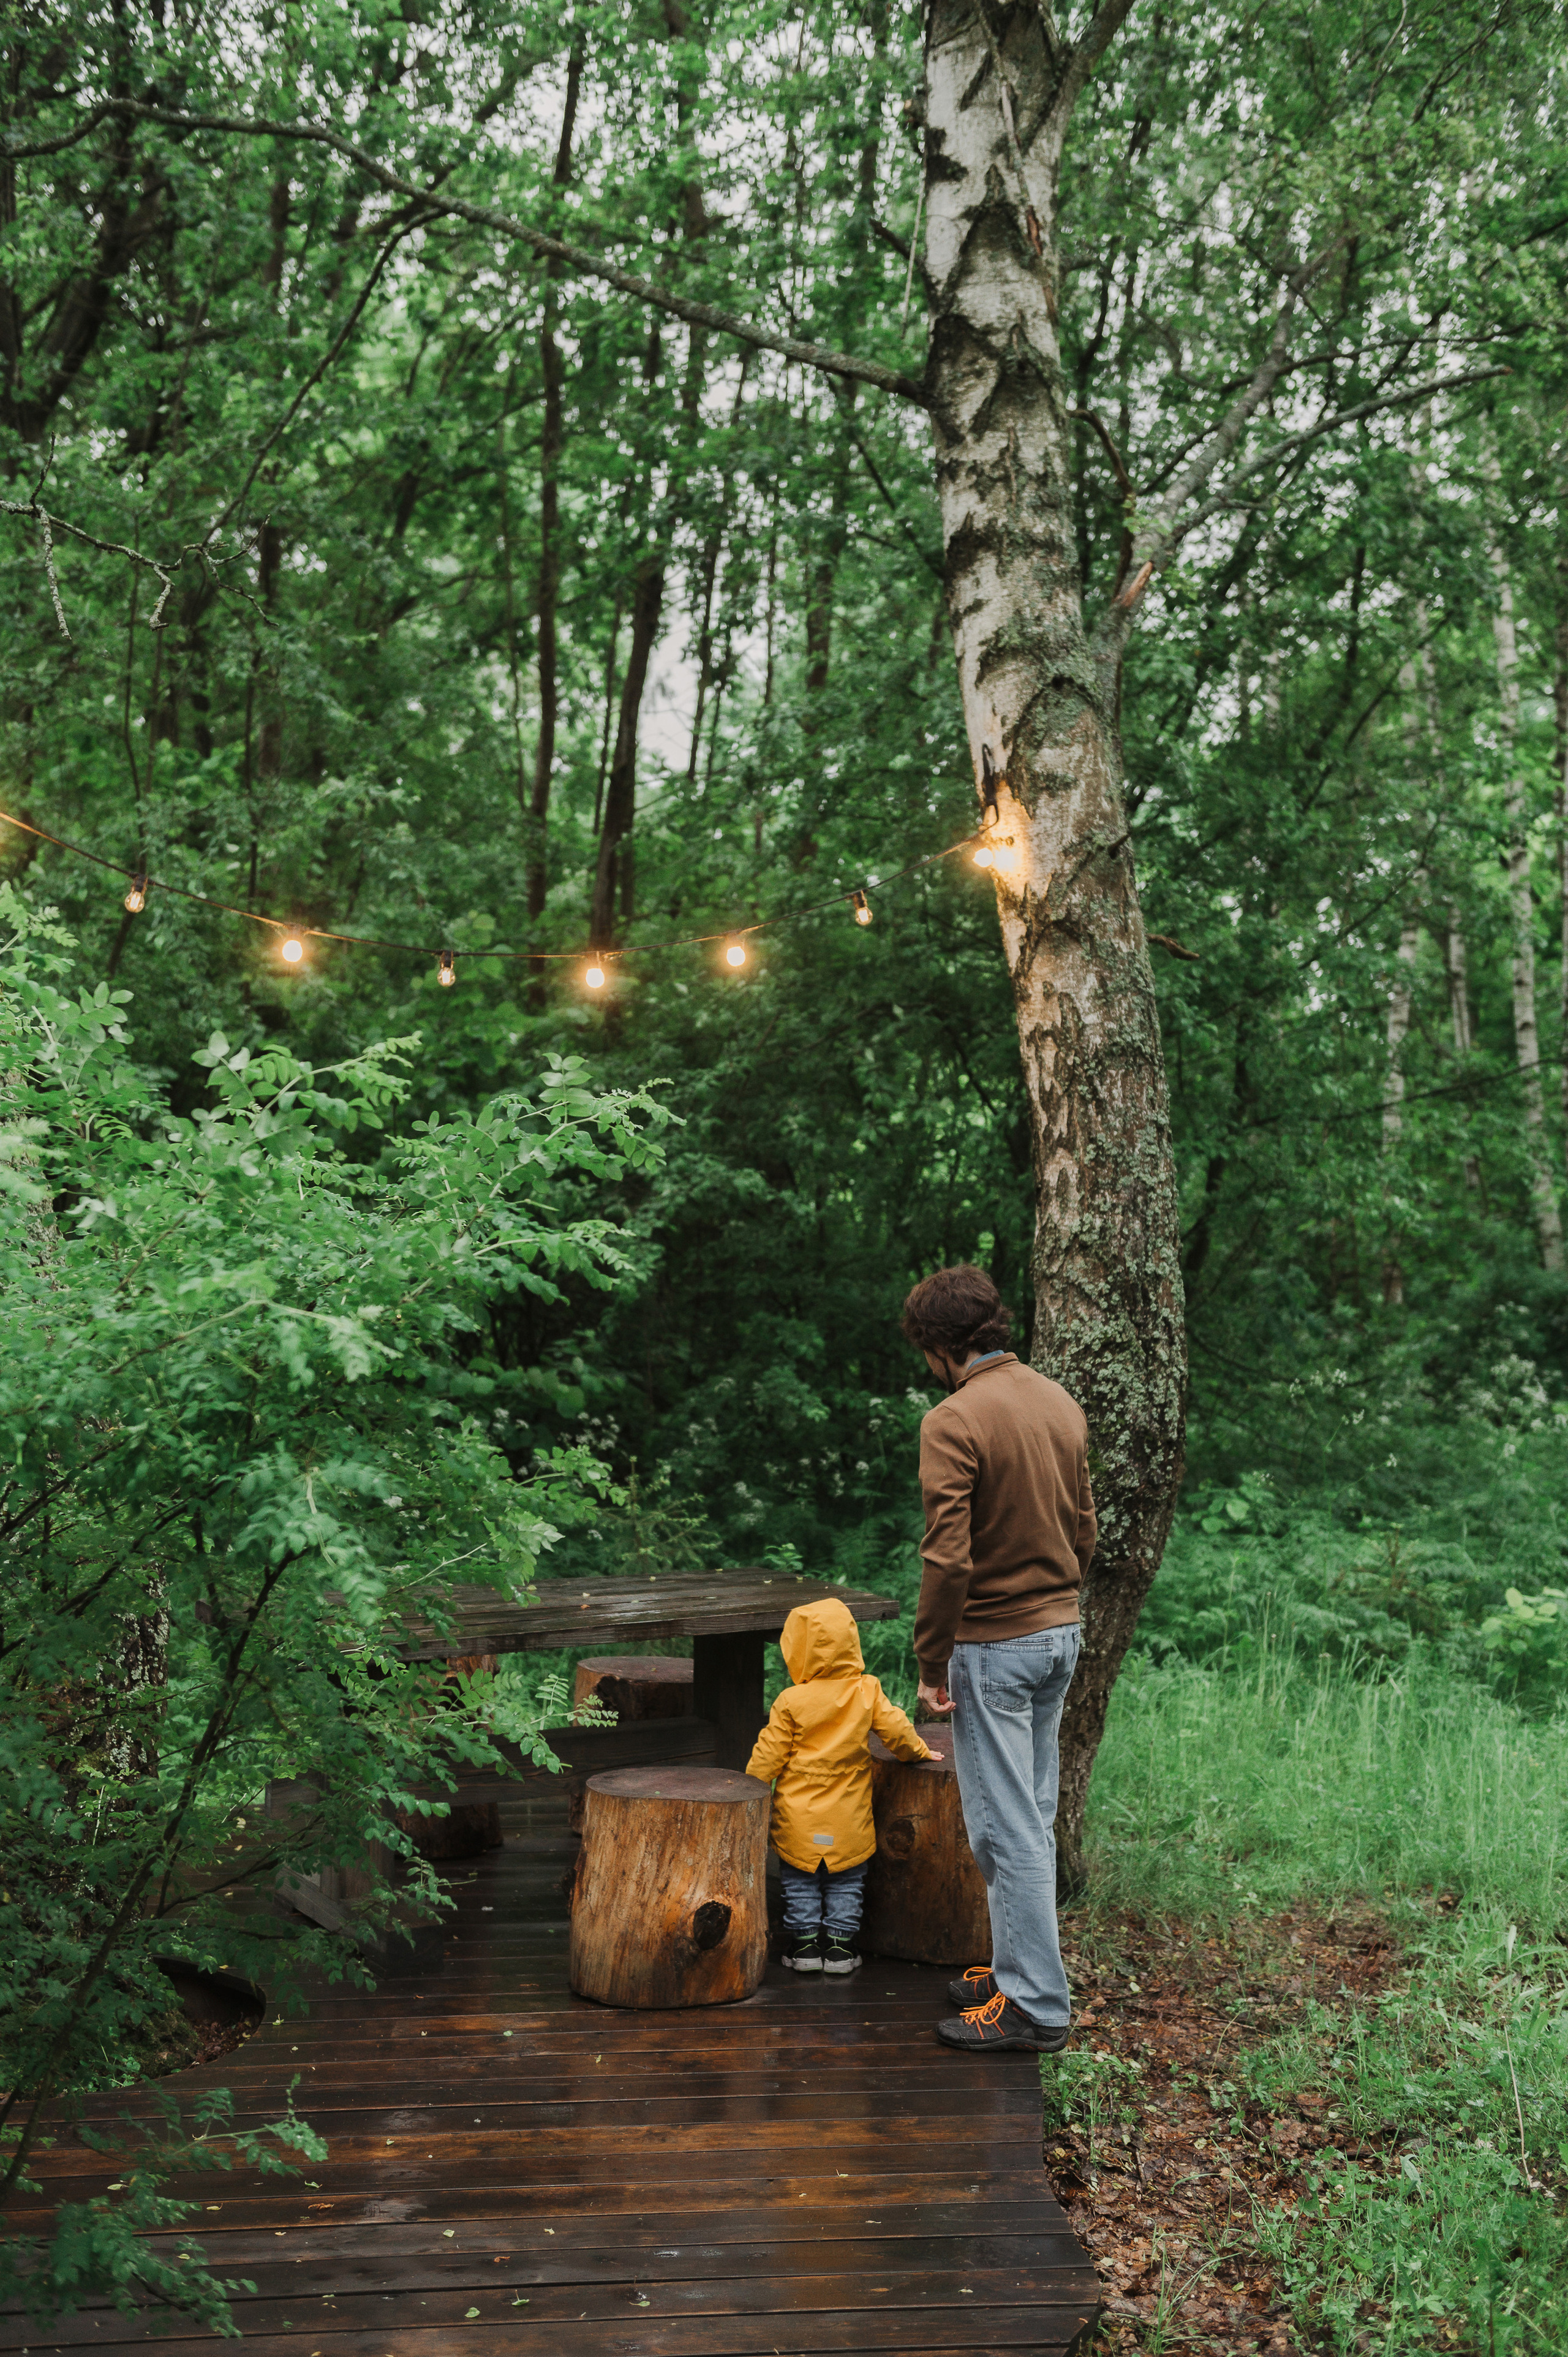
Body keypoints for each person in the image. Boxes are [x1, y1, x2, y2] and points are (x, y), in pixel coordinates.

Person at [902, 1262, 1096, 2052]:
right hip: (1059, 1636)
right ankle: (1016, 1973)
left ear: (937, 1344)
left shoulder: (953, 1419)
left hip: (995, 1647)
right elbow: (1084, 1526)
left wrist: (930, 1660)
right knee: (1031, 1817)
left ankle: (1036, 2008)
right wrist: (1057, 1601)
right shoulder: (1057, 1400)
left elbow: (948, 1560)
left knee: (1003, 1828)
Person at [745, 1595, 933, 1974]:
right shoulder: (867, 1690)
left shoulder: (791, 1700)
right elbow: (897, 1731)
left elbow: (768, 1755)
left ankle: (804, 1948)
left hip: (798, 1820)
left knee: (799, 1883)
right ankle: (840, 1950)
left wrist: (749, 1789)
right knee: (846, 1883)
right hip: (849, 1818)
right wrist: (919, 1752)